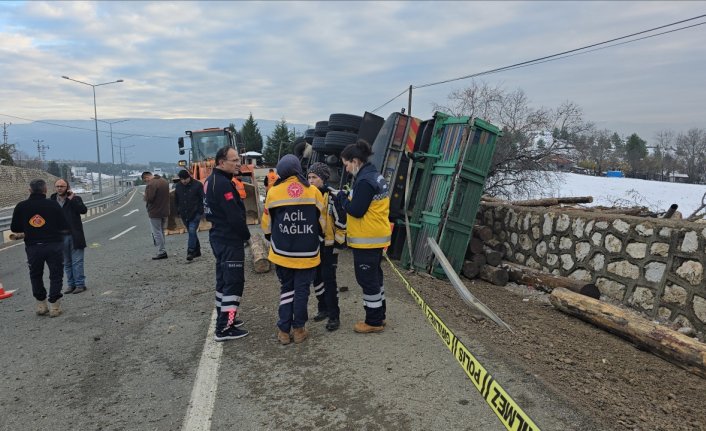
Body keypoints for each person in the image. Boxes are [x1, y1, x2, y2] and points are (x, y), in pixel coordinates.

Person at [262, 154, 325, 345]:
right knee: (302, 291)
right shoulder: (313, 191)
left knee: (286, 289)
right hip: (307, 253)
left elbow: (267, 226)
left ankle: (283, 331)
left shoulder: (273, 192)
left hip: (282, 253)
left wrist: (275, 239)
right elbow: (322, 222)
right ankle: (299, 330)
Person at [336, 139, 391, 333]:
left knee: (367, 280)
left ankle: (373, 322)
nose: (347, 169)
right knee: (375, 278)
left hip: (367, 240)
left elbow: (357, 210)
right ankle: (380, 315)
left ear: (355, 160)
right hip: (376, 237)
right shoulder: (374, 175)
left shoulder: (365, 181)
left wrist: (342, 200)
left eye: (346, 164)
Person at [204, 146, 251, 341]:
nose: (238, 163)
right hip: (229, 239)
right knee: (233, 283)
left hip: (219, 236)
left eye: (238, 159)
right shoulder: (222, 184)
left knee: (223, 281)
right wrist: (246, 235)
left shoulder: (211, 180)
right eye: (234, 160)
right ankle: (225, 326)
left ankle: (225, 316)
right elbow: (234, 216)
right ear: (222, 163)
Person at [11, 179, 70, 317]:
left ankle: (41, 305)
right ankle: (54, 306)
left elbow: (15, 227)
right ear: (45, 190)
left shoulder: (21, 206)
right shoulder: (53, 205)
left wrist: (29, 226)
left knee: (35, 274)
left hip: (33, 246)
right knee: (56, 274)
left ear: (30, 190)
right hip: (53, 245)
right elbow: (64, 225)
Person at [307, 162, 346, 331]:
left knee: (329, 280)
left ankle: (333, 315)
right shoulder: (307, 195)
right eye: (308, 177)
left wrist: (338, 244)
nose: (310, 180)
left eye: (314, 177)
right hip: (313, 245)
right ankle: (322, 308)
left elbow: (341, 221)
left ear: (323, 178)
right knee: (316, 279)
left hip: (329, 246)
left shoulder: (333, 196)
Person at [50, 179, 88, 294]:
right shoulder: (51, 200)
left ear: (67, 187)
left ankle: (80, 285)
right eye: (57, 186)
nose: (59, 188)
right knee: (66, 263)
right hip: (59, 237)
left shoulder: (75, 199)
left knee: (77, 261)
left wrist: (72, 200)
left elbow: (83, 210)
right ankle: (71, 285)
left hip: (74, 236)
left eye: (62, 186)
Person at [174, 169, 204, 261]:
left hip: (195, 213)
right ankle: (197, 251)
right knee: (192, 232)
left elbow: (203, 198)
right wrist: (178, 211)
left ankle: (190, 252)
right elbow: (176, 200)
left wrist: (200, 211)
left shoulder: (197, 185)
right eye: (182, 179)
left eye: (185, 179)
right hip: (184, 213)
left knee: (191, 231)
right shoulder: (178, 186)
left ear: (189, 177)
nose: (184, 181)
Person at [142, 171, 170, 260]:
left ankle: (162, 251)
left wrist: (145, 195)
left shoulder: (151, 184)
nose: (146, 182)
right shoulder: (164, 181)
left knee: (156, 232)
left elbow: (149, 198)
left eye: (145, 180)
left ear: (146, 177)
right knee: (161, 231)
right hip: (165, 210)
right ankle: (162, 249)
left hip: (155, 212)